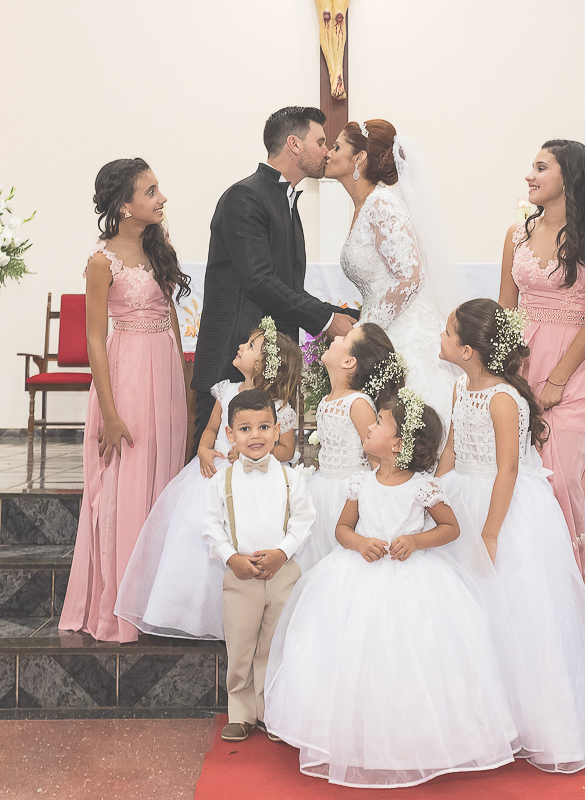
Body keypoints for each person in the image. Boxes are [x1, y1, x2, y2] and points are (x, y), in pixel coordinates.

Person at [265, 390, 520, 788]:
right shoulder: (360, 482)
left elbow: (450, 528)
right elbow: (342, 529)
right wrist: (360, 542)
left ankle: (410, 740)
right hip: (356, 576)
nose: (370, 425)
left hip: (414, 580)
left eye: (380, 422)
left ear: (399, 443)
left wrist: (416, 541)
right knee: (354, 657)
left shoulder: (422, 487)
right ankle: (355, 737)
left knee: (407, 659)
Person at [437, 298, 585, 773]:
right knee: (467, 615)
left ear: (469, 350)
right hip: (462, 497)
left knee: (516, 616)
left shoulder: (505, 399)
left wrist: (491, 532)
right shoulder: (460, 389)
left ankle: (531, 721)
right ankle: (476, 719)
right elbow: (452, 449)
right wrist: (432, 498)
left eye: (448, 331)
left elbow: (509, 469)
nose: (441, 336)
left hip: (505, 511)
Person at [59, 159, 189, 643]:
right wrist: (110, 415)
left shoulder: (161, 250)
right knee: (127, 487)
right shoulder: (101, 262)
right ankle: (120, 607)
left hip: (165, 376)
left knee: (162, 482)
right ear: (124, 204)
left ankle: (158, 600)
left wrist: (183, 384)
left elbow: (171, 318)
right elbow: (95, 340)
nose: (162, 197)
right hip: (127, 376)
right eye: (151, 190)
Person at [115, 318, 302, 639]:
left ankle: (245, 615)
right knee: (193, 532)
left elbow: (286, 448)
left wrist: (257, 451)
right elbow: (212, 430)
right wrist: (203, 449)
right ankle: (194, 613)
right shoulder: (226, 390)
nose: (241, 347)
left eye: (251, 346)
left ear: (264, 365)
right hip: (211, 476)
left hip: (252, 482)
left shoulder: (277, 406)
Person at [498, 140, 585, 633]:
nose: (529, 175)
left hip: (574, 367)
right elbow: (505, 310)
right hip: (522, 365)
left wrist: (558, 379)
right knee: (521, 479)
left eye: (540, 168)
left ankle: (574, 600)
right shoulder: (515, 234)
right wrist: (499, 374)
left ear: (568, 178)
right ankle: (528, 597)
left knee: (563, 480)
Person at [191, 106, 358, 452]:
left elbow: (287, 288)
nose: (327, 151)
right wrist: (327, 320)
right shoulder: (246, 197)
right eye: (321, 141)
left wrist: (345, 316)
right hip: (235, 360)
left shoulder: (284, 200)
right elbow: (258, 281)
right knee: (215, 467)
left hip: (268, 363)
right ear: (294, 145)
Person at [323, 118, 461, 425]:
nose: (328, 154)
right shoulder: (364, 206)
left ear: (358, 158)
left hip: (403, 330)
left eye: (336, 147)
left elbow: (410, 276)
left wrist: (366, 329)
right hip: (381, 329)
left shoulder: (382, 203)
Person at [202, 390, 316, 743]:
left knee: (272, 644)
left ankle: (270, 712)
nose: (255, 436)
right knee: (240, 645)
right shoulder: (221, 481)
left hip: (283, 575)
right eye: (246, 428)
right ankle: (240, 711)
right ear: (230, 435)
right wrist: (230, 557)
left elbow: (303, 520)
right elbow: (210, 526)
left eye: (264, 427)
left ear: (278, 429)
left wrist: (283, 552)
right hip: (240, 577)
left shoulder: (290, 477)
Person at [292, 323, 405, 573]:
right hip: (322, 488)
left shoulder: (358, 403)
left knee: (340, 561)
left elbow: (377, 459)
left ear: (348, 362)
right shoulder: (326, 401)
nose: (337, 336)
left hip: (346, 495)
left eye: (345, 337)